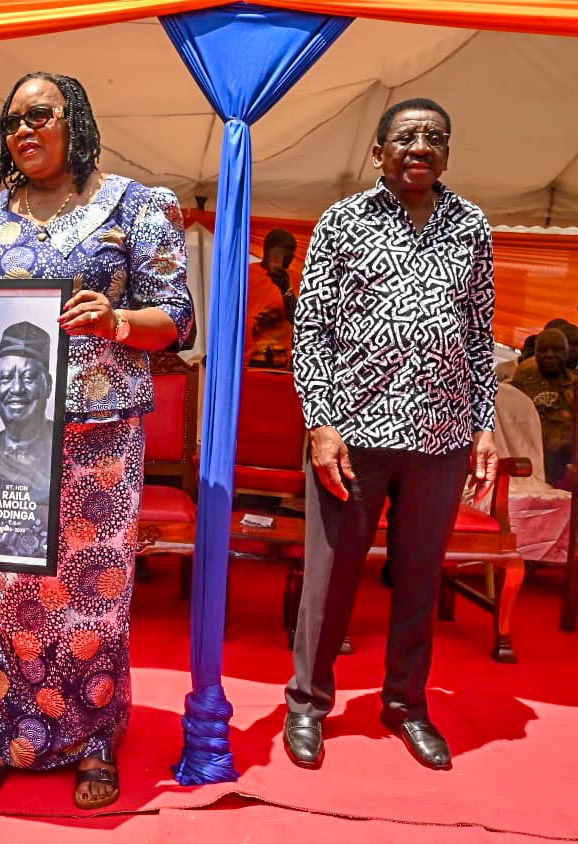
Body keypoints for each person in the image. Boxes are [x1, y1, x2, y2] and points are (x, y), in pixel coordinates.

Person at [0, 72, 193, 810]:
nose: (23, 130)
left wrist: (117, 323)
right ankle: (9, 729)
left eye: (39, 115)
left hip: (101, 437)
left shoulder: (136, 206)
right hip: (7, 432)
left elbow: (177, 318)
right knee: (10, 586)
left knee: (90, 589)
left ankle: (93, 734)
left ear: (75, 121)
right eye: (11, 120)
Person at [285, 98, 498, 773]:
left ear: (448, 151)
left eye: (435, 136)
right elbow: (311, 327)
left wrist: (484, 423)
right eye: (406, 136)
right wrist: (320, 423)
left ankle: (407, 704)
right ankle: (308, 704)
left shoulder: (472, 225)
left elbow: (478, 333)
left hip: (441, 435)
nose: (420, 147)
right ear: (378, 150)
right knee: (331, 579)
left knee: (416, 578)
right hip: (352, 434)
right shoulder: (342, 223)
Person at [0, 321, 55, 525]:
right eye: (6, 378)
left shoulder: (64, 448)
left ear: (48, 385)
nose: (16, 388)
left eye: (28, 377)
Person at [510, 328, 574, 485]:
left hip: (564, 465)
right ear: (536, 353)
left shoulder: (574, 386)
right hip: (528, 460)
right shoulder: (523, 381)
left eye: (557, 349)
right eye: (543, 349)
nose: (550, 354)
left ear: (567, 353)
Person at [244, 229, 299, 368]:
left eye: (291, 255)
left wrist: (286, 289)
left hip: (284, 363)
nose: (288, 259)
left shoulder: (298, 280)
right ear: (268, 251)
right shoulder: (245, 275)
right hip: (247, 360)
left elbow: (300, 321)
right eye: (282, 254)